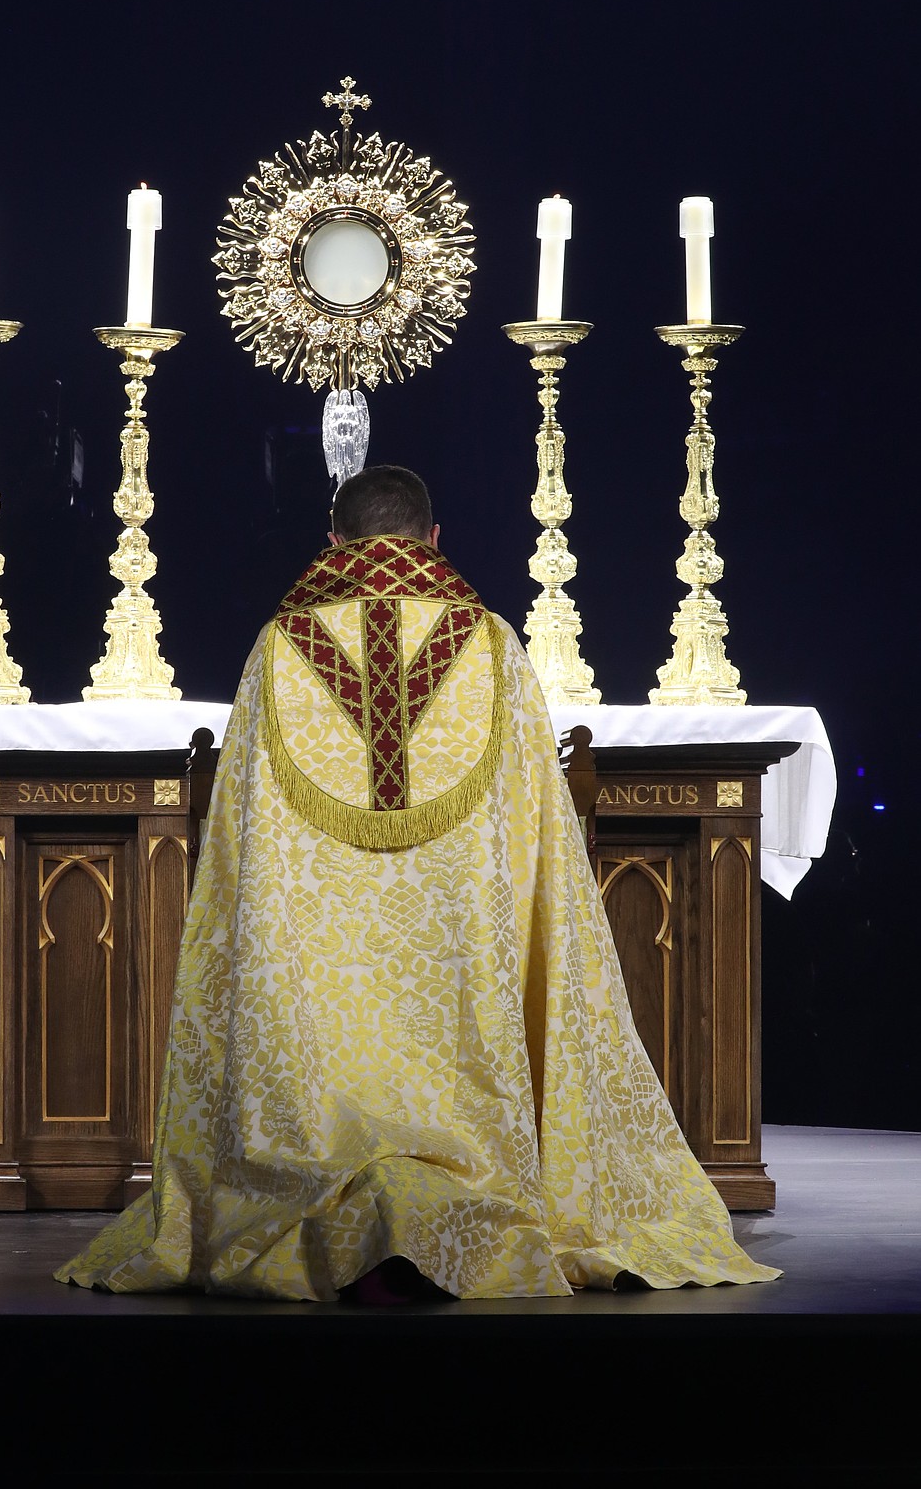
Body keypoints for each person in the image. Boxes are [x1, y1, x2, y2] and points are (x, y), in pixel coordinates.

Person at [55, 464, 780, 1302]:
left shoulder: (278, 648)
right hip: (464, 984)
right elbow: (538, 833)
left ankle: (310, 1191)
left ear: (334, 544)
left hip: (312, 1037)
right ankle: (466, 1197)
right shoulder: (495, 646)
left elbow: (238, 857)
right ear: (435, 541)